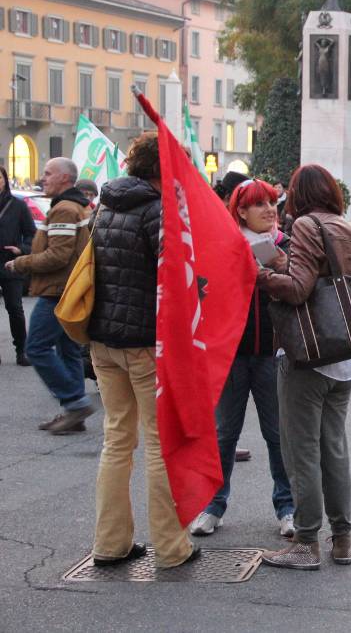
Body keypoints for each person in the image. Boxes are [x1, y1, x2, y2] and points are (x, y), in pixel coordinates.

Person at [87, 132, 199, 568]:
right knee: (157, 443)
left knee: (116, 439)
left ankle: (110, 543)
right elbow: (175, 281)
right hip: (145, 344)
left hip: (103, 340)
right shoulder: (159, 213)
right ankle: (172, 548)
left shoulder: (106, 205)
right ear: (164, 171)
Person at [257, 164, 351, 570]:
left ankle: (305, 542)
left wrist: (262, 275)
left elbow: (300, 289)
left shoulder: (304, 224)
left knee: (301, 448)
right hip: (344, 352)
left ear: (299, 195)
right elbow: (325, 278)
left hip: (309, 352)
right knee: (333, 446)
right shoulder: (345, 225)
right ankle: (342, 539)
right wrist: (286, 263)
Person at [188, 178, 295, 539]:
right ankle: (213, 505)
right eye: (259, 204)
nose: (269, 209)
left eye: (272, 202)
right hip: (230, 355)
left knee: (278, 435)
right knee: (224, 435)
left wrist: (282, 266)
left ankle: (287, 507)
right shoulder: (222, 245)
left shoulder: (282, 244)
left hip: (272, 354)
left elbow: (298, 289)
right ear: (241, 211)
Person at [6, 158, 93, 434]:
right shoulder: (74, 205)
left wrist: (21, 263)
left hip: (56, 290)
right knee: (67, 350)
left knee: (37, 348)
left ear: (65, 179)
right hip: (68, 288)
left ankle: (74, 402)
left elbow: (58, 255)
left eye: (48, 173)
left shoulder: (65, 209)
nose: (43, 178)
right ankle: (74, 411)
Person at [0, 166, 36, 366]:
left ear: (5, 180)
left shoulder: (18, 206)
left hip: (10, 262)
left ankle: (21, 350)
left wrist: (21, 249)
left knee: (14, 308)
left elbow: (31, 234)